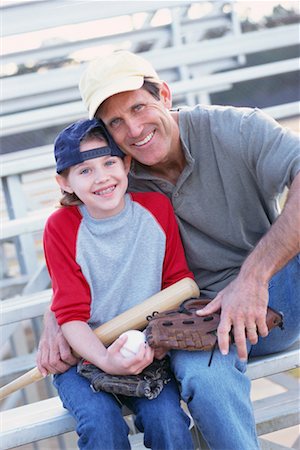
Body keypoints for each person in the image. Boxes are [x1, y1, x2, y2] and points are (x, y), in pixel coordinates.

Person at [37, 51, 300, 449]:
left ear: (164, 93)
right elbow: (74, 248)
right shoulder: (116, 176)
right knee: (203, 378)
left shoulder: (237, 128)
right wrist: (56, 318)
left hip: (274, 293)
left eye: (140, 107)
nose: (135, 129)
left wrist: (253, 276)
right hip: (198, 322)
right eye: (116, 122)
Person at [42, 118, 195, 450]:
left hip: (147, 350)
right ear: (64, 182)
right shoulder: (61, 227)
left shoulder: (156, 209)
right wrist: (107, 360)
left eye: (109, 162)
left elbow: (177, 285)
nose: (102, 178)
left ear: (126, 163)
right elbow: (70, 314)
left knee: (167, 421)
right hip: (85, 355)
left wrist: (151, 344)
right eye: (84, 171)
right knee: (101, 424)